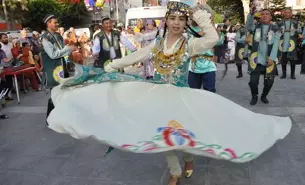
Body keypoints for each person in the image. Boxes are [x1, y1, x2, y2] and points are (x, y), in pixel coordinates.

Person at [46, 2, 292, 185]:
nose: (176, 22)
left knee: (182, 135)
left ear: (185, 24)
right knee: (164, 137)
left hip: (181, 97)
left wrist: (199, 15)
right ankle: (175, 171)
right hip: (155, 94)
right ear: (166, 21)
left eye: (180, 19)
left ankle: (188, 158)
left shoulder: (190, 44)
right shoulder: (157, 44)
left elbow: (214, 38)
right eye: (172, 18)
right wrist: (113, 65)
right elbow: (135, 56)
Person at [40, 14, 75, 125]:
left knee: (63, 93)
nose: (57, 24)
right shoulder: (45, 37)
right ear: (48, 23)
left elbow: (64, 53)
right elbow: (53, 54)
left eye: (57, 22)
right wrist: (68, 49)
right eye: (55, 22)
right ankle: (49, 119)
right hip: (52, 70)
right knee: (54, 94)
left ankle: (59, 116)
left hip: (62, 69)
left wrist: (69, 64)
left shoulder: (59, 36)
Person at [246, 7, 281, 106]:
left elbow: (276, 44)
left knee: (269, 82)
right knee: (253, 82)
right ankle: (254, 96)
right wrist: (251, 14)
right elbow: (248, 26)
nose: (264, 15)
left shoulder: (276, 29)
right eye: (262, 14)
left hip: (269, 61)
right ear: (260, 17)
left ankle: (264, 96)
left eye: (267, 14)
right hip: (256, 60)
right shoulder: (255, 27)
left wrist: (272, 58)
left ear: (270, 17)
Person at [278, 7, 302, 80]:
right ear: (283, 13)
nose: (287, 14)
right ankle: (284, 74)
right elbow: (276, 32)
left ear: (291, 14)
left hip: (292, 44)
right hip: (283, 44)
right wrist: (282, 30)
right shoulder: (279, 23)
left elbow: (300, 30)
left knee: (293, 60)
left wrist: (295, 30)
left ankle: (292, 74)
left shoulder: (296, 22)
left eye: (289, 12)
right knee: (283, 60)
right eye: (286, 12)